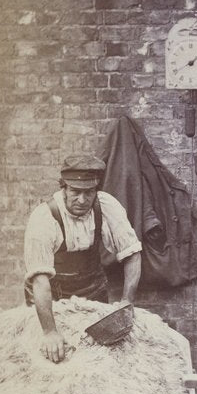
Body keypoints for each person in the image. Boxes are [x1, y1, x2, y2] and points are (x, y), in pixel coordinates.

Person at [23, 154, 143, 363]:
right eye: (75, 192)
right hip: (51, 297)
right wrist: (50, 332)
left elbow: (132, 253)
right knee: (51, 359)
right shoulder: (44, 218)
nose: (82, 200)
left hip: (92, 290)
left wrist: (126, 302)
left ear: (96, 190)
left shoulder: (106, 206)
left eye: (89, 192)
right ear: (64, 188)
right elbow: (40, 280)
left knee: (97, 357)